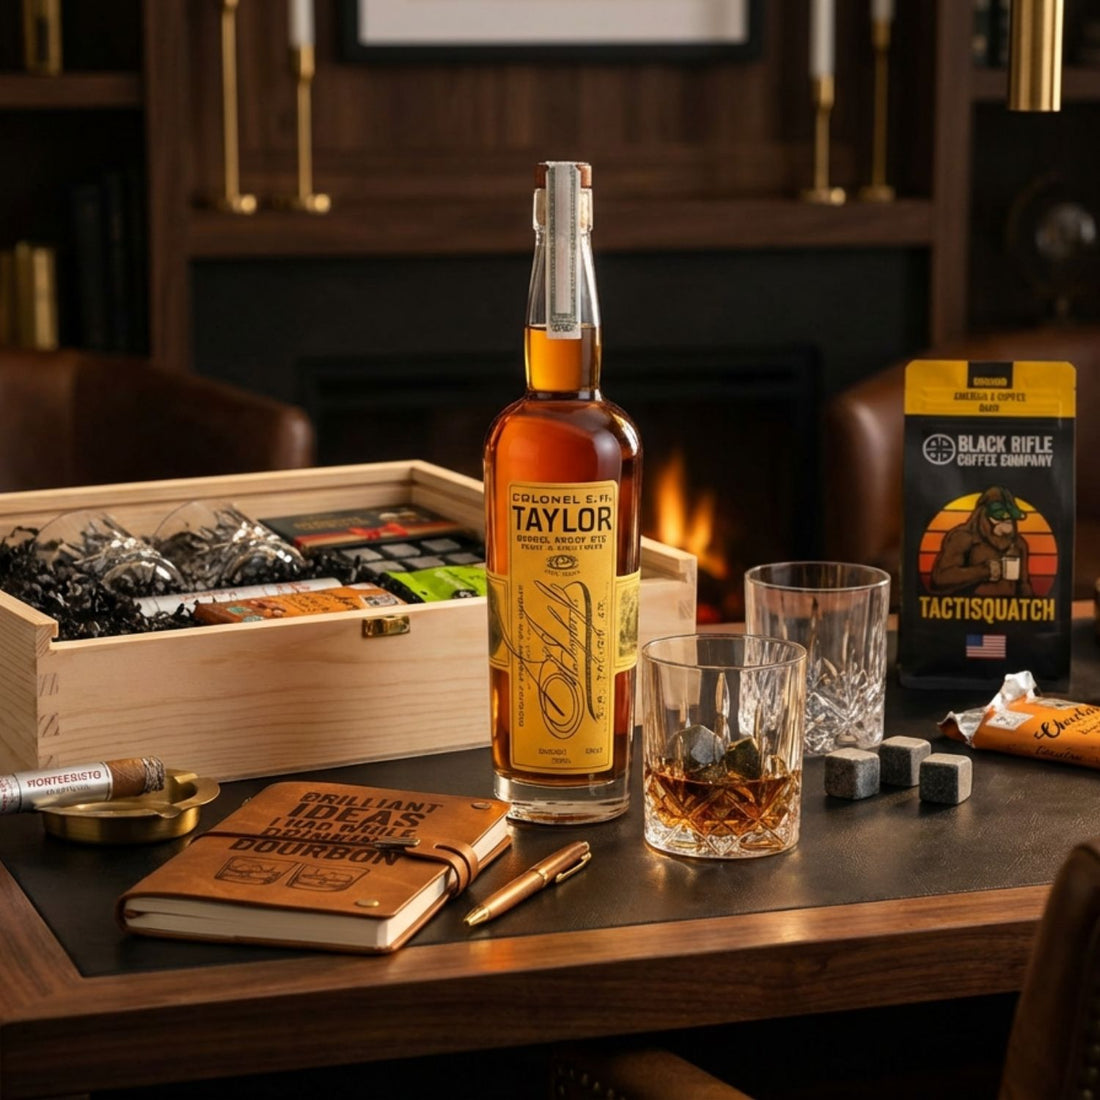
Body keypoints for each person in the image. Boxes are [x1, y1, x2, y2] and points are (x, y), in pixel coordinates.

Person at [929, 486, 1033, 596]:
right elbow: (939, 578)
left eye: (1010, 516)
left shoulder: (1018, 544)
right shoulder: (963, 537)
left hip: (1008, 609)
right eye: (999, 516)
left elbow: (1023, 585)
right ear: (983, 515)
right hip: (966, 609)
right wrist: (984, 571)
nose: (1006, 520)